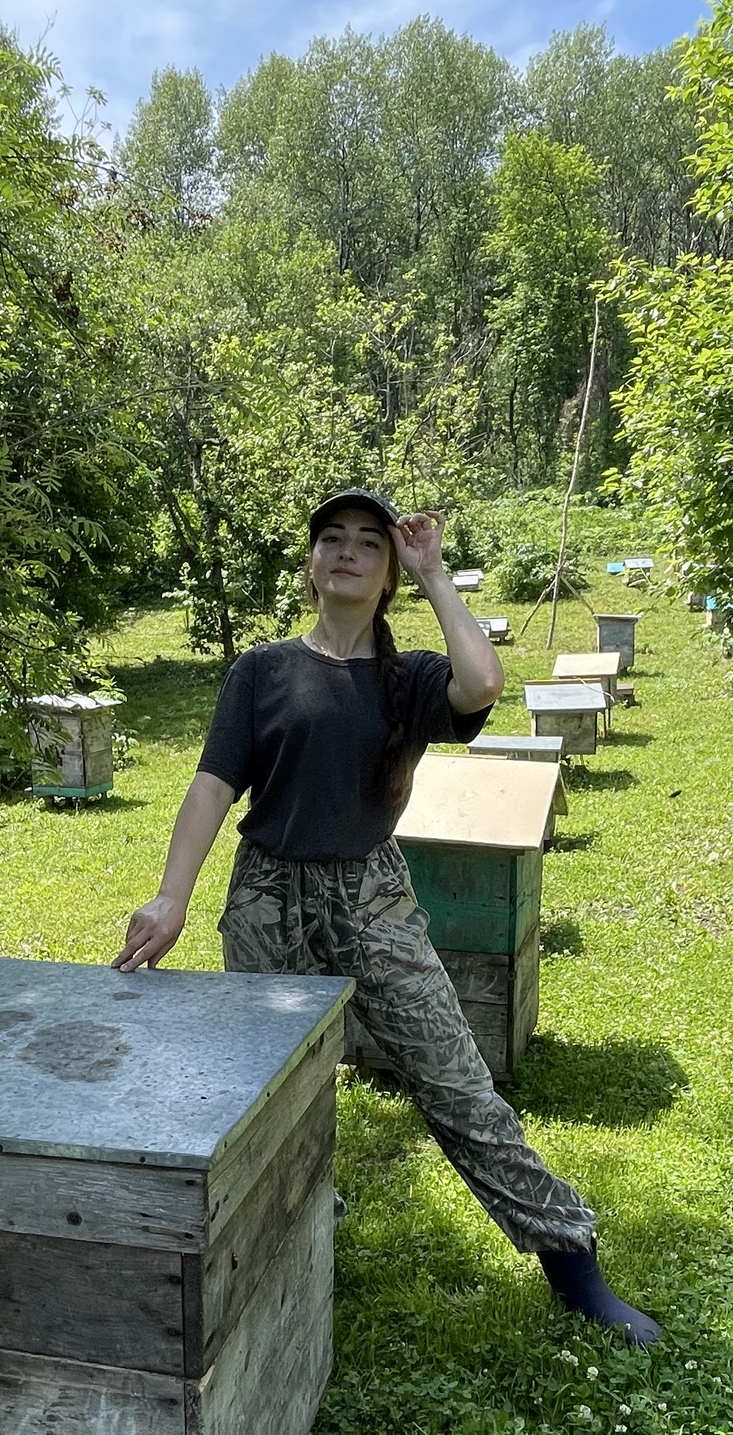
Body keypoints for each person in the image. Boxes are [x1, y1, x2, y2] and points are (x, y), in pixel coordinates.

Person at [115, 488, 660, 1346]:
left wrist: (436, 575)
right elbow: (213, 784)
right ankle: (298, 1238)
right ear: (309, 565)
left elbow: (484, 681)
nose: (347, 551)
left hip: (372, 896)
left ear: (387, 573)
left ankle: (573, 1261)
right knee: (273, 1098)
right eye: (331, 538)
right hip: (267, 899)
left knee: (454, 1079)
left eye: (369, 542)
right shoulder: (261, 671)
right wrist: (171, 896)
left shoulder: (408, 680)